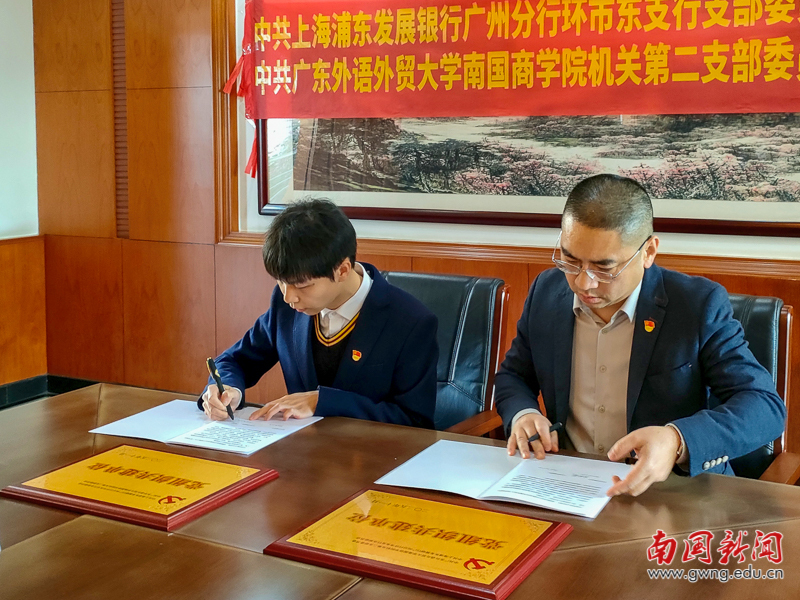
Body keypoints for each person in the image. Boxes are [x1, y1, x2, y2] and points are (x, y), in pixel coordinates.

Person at [495, 174, 786, 497]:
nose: (583, 283)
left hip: (670, 492)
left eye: (604, 269)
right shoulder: (546, 292)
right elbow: (513, 376)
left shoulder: (697, 305)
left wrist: (677, 440)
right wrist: (523, 413)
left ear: (648, 252)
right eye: (570, 260)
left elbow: (765, 407)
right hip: (568, 483)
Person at [199, 198, 438, 428]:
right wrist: (227, 389)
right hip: (299, 449)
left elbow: (415, 421)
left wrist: (322, 402)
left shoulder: (411, 322)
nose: (288, 297)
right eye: (281, 282)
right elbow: (234, 360)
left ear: (342, 270)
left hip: (371, 453)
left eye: (302, 286)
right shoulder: (285, 305)